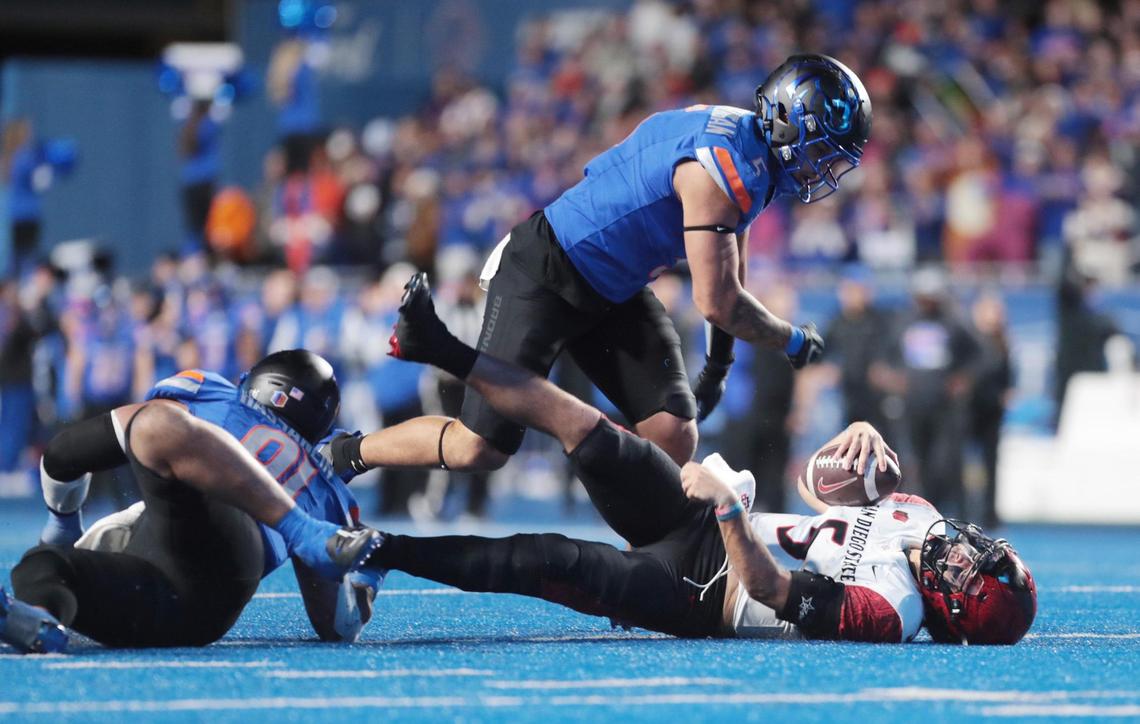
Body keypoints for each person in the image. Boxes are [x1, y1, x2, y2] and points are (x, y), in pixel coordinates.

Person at [329, 274, 1037, 644]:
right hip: (707, 515)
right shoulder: (920, 516)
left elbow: (771, 591)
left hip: (703, 591)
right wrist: (852, 440)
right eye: (980, 550)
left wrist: (729, 506)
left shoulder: (892, 613)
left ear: (955, 609)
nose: (962, 550)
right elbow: (817, 498)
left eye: (968, 571)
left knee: (542, 558)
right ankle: (440, 347)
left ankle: (382, 550)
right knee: (591, 429)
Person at [359, 54, 870, 475]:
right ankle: (347, 454)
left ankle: (644, 569)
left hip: (615, 287)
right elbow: (717, 301)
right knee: (480, 448)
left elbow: (727, 283)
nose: (825, 168)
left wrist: (716, 369)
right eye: (824, 149)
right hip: (546, 268)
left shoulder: (738, 141)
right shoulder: (724, 172)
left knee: (671, 432)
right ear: (788, 122)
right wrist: (792, 339)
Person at [0, 350, 382, 654]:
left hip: (216, 541)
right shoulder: (323, 483)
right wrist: (363, 587)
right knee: (44, 567)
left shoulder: (213, 396)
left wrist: (63, 522)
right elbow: (334, 626)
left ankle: (300, 529)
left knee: (156, 424)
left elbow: (64, 454)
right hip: (195, 609)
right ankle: (39, 623)